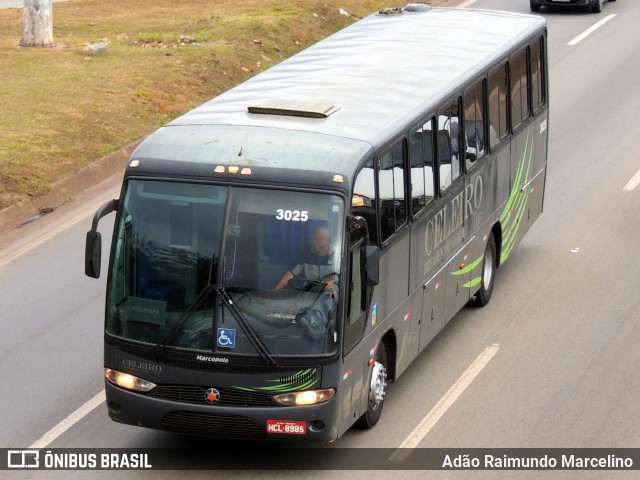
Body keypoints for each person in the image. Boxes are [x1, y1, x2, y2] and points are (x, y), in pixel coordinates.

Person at [274, 225, 336, 292]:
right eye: (313, 238)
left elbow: (343, 277)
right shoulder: (306, 254)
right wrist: (275, 290)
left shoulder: (337, 255)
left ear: (327, 240)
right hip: (308, 293)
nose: (313, 242)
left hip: (330, 295)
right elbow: (291, 273)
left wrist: (334, 283)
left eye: (318, 239)